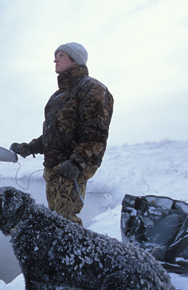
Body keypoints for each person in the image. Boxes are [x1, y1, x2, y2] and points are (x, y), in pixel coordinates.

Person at [11, 42, 114, 226]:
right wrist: (29, 147)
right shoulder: (56, 97)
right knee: (55, 220)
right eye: (55, 56)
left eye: (61, 56)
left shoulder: (93, 88)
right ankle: (58, 255)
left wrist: (77, 162)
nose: (55, 60)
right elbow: (54, 134)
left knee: (66, 222)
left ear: (75, 60)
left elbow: (96, 132)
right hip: (53, 167)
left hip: (73, 166)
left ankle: (78, 255)